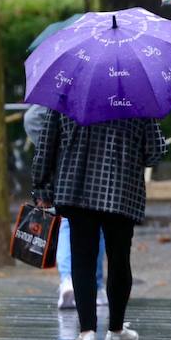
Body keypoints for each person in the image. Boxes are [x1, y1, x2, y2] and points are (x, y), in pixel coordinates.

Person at [31, 110, 168, 340]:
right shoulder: (137, 100)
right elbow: (155, 152)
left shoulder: (67, 96)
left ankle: (87, 334)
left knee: (82, 259)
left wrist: (41, 188)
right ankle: (116, 331)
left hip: (75, 186)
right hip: (122, 189)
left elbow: (46, 145)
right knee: (119, 259)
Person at [23, 104, 103, 312]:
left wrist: (58, 151)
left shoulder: (63, 91)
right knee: (99, 224)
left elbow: (33, 119)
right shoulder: (115, 93)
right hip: (101, 169)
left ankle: (68, 279)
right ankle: (95, 285)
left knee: (70, 221)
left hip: (68, 170)